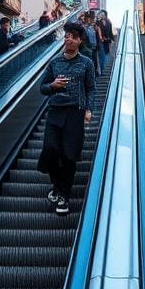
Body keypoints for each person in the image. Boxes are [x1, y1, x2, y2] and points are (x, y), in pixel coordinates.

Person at [37, 22, 95, 216]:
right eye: (66, 36)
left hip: (75, 113)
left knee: (69, 155)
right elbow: (42, 87)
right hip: (55, 112)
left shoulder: (86, 62)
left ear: (79, 41)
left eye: (72, 36)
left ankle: (63, 196)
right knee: (51, 150)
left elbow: (91, 88)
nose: (67, 38)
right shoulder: (54, 63)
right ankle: (56, 185)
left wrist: (88, 109)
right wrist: (53, 85)